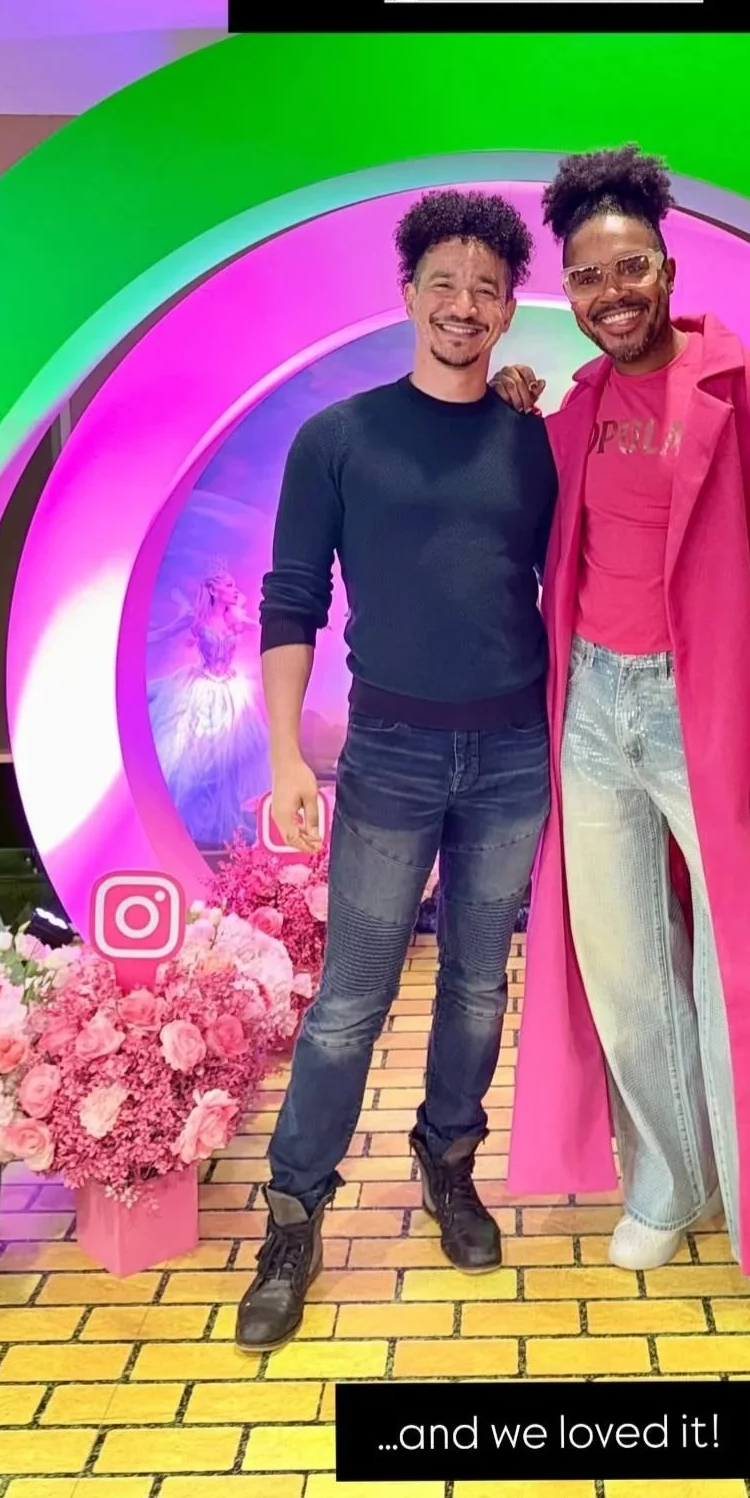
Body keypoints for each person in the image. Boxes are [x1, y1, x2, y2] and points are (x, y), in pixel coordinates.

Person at [495, 146, 750, 1337]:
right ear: (568, 287)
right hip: (592, 713)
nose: (610, 293)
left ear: (666, 264)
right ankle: (670, 1175)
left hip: (710, 713)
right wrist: (510, 409)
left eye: (629, 267)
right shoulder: (574, 412)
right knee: (625, 966)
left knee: (749, 971)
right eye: (586, 276)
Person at [236, 192, 556, 1351]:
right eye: (445, 283)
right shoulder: (339, 438)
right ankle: (293, 1215)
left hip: (514, 753)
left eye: (487, 289)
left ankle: (448, 1161)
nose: (464, 305)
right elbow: (291, 599)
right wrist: (287, 753)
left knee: (478, 986)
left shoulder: (533, 439)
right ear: (409, 292)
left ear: (509, 309)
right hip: (389, 754)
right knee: (350, 1000)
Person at [147, 570, 268, 848]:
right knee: (198, 761)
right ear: (214, 590)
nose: (235, 589)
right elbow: (162, 633)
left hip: (229, 690)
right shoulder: (196, 619)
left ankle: (228, 827)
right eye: (229, 585)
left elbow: (266, 627)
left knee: (233, 760)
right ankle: (193, 823)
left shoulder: (234, 618)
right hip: (201, 690)